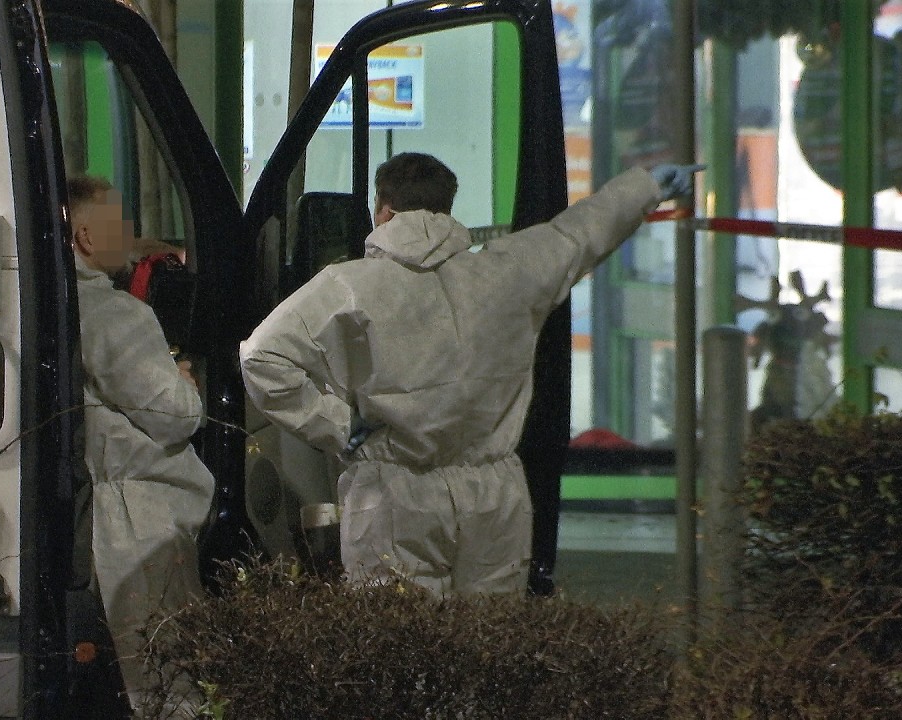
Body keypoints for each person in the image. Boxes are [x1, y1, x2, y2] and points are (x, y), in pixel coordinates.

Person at [239, 152, 702, 596]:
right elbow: (580, 233)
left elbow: (262, 357)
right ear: (448, 206)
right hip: (494, 493)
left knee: (401, 650)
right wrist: (647, 185)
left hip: (396, 493)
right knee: (487, 649)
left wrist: (341, 427)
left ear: (383, 209)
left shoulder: (348, 285)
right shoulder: (507, 272)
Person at [68, 174, 215, 713]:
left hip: (101, 512)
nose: (130, 231)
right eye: (117, 220)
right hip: (141, 513)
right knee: (167, 681)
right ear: (85, 235)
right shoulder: (114, 314)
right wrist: (184, 383)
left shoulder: (57, 309)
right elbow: (172, 414)